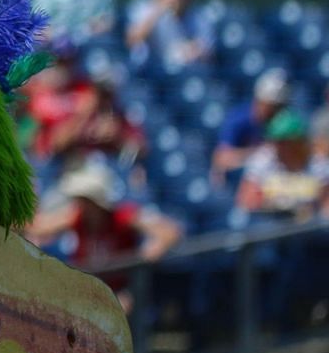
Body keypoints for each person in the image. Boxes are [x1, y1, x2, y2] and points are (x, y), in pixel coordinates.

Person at [24, 162, 179, 303]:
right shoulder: (77, 217)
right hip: (86, 291)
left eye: (85, 199)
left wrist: (149, 252)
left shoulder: (122, 217)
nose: (80, 204)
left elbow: (169, 231)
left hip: (119, 293)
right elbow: (40, 227)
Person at [237, 110, 329, 221]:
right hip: (269, 223)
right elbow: (246, 201)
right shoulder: (262, 160)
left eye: (285, 142)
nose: (279, 147)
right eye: (277, 142)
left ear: (299, 142)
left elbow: (326, 204)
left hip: (307, 227)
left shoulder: (318, 164)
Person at [124, 0, 215, 68]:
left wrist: (193, 51)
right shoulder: (142, 6)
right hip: (151, 68)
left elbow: (208, 52)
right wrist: (159, 10)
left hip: (185, 69)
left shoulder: (199, 16)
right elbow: (132, 40)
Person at [215, 69, 294, 183]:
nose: (276, 112)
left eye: (279, 107)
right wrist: (259, 153)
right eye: (272, 106)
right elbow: (222, 158)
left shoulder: (284, 122)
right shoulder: (239, 119)